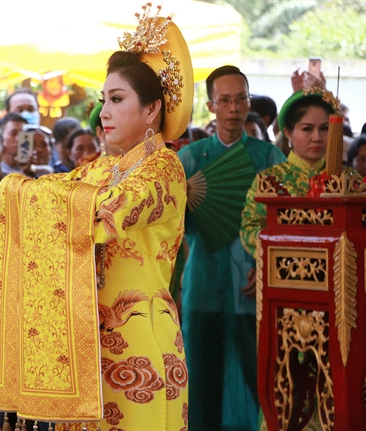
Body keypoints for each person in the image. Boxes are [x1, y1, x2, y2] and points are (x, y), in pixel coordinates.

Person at [0, 9, 192, 429]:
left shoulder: (164, 169)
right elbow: (41, 204)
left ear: (152, 110)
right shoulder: (97, 169)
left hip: (139, 343)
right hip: (81, 348)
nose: (104, 113)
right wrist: (15, 190)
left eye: (117, 100)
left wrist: (34, 192)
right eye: (103, 101)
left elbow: (107, 214)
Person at [177, 65, 286, 431]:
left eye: (241, 99)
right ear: (211, 106)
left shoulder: (269, 160)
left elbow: (285, 226)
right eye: (225, 100)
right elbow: (170, 232)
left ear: (248, 102)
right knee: (201, 380)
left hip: (254, 287)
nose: (234, 108)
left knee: (260, 381)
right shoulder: (188, 161)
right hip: (203, 284)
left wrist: (266, 264)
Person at [241, 89, 350, 257]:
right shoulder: (269, 181)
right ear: (288, 133)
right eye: (307, 129)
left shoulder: (348, 180)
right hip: (286, 271)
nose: (317, 137)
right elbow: (250, 228)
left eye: (325, 129)